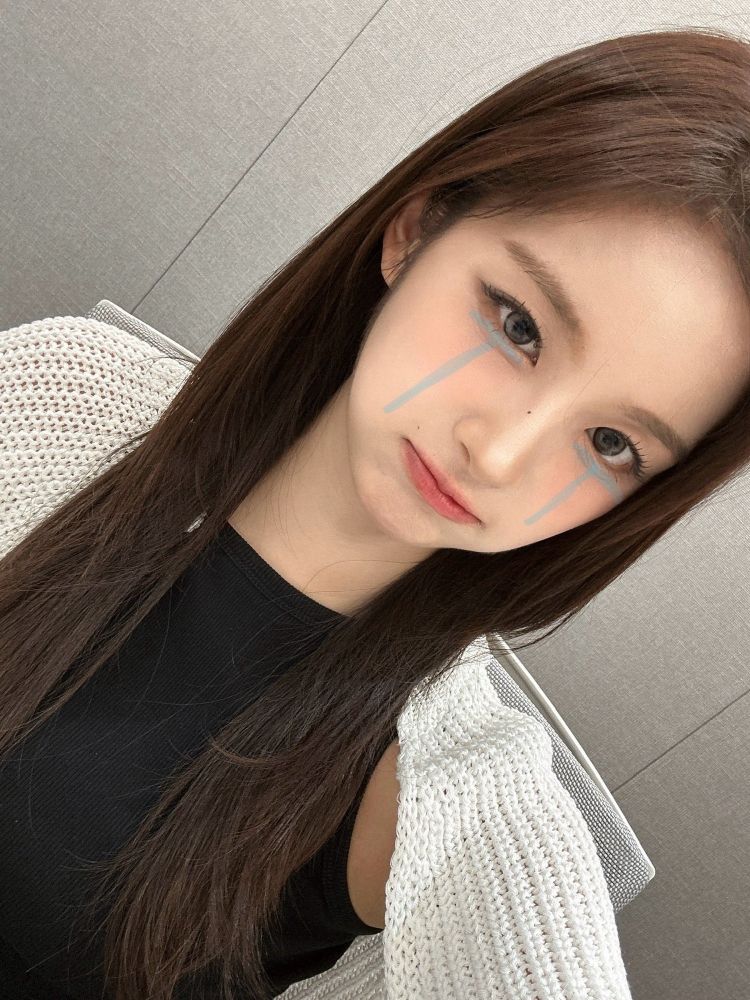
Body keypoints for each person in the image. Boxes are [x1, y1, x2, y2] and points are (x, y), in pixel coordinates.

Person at [0, 25, 748, 1000]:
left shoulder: (441, 785)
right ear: (415, 230)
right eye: (518, 325)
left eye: (611, 443)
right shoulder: (68, 390)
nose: (500, 454)